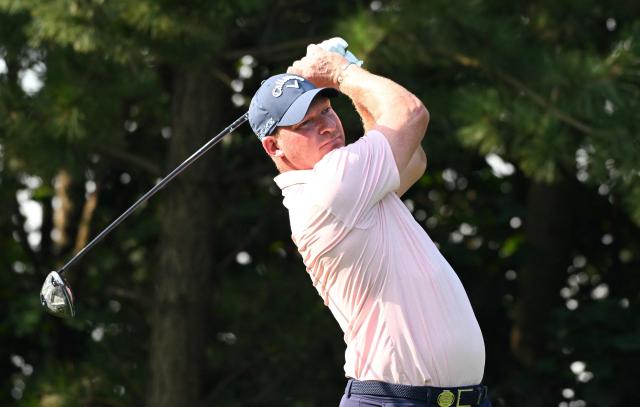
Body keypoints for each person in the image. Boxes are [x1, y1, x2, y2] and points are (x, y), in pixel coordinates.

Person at [248, 44, 491, 407]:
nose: (327, 127)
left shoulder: (353, 183)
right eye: (306, 124)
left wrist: (349, 75)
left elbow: (413, 159)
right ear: (274, 148)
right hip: (394, 401)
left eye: (327, 111)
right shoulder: (328, 185)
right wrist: (342, 72)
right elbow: (410, 114)